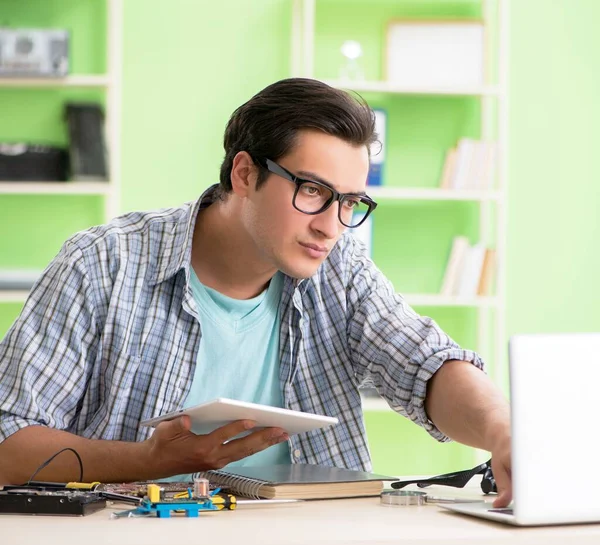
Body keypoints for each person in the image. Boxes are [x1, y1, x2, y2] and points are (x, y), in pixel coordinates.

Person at [0, 78, 511, 507]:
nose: (333, 227)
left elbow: (427, 364)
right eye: (313, 191)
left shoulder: (341, 268)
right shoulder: (103, 264)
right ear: (245, 173)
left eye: (350, 202)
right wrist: (148, 461)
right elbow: (9, 442)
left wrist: (503, 431)